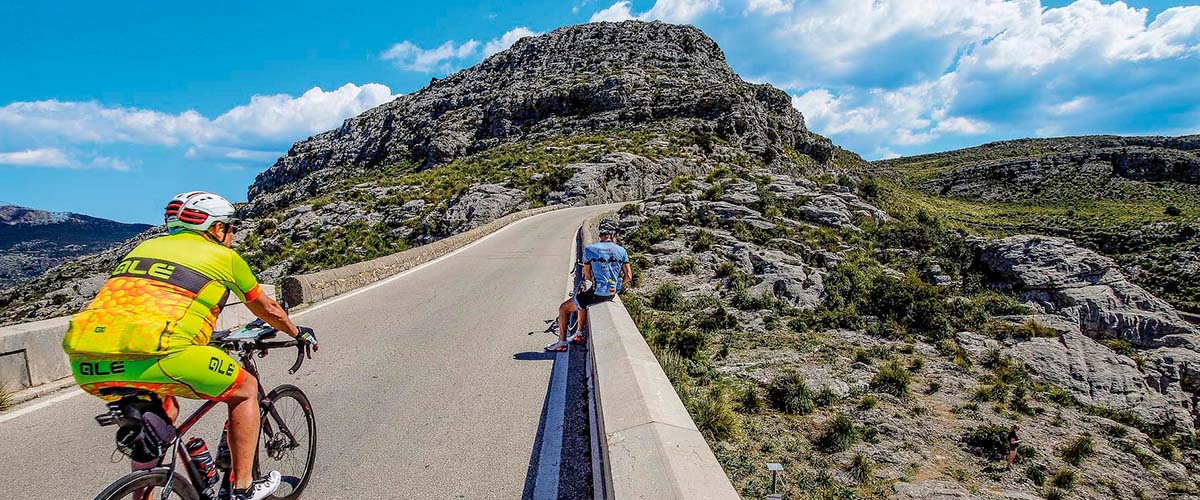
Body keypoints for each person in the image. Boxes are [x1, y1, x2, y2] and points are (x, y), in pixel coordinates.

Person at [62, 191, 318, 500]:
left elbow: (153, 304)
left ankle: (142, 492)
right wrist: (297, 332)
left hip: (87, 360)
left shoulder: (145, 247)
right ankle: (244, 488)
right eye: (230, 226)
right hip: (163, 353)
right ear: (215, 228)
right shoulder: (225, 258)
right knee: (246, 389)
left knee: (160, 410)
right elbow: (268, 309)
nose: (233, 234)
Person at [546, 218, 631, 351]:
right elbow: (628, 277)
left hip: (596, 294)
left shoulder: (590, 249)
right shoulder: (622, 251)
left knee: (564, 308)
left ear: (601, 234)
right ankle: (579, 333)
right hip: (611, 293)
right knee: (582, 301)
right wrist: (616, 286)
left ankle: (561, 343)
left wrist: (597, 280)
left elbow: (587, 276)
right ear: (613, 234)